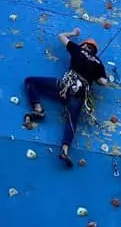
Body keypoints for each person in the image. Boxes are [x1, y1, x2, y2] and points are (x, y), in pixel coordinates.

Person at [23, 27, 108, 167]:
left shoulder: (78, 49)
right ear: (95, 50)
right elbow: (103, 82)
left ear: (84, 45)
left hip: (65, 86)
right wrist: (95, 72)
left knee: (30, 81)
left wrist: (73, 34)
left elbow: (61, 36)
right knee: (71, 120)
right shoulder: (99, 63)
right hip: (79, 95)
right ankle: (65, 150)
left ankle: (38, 109)